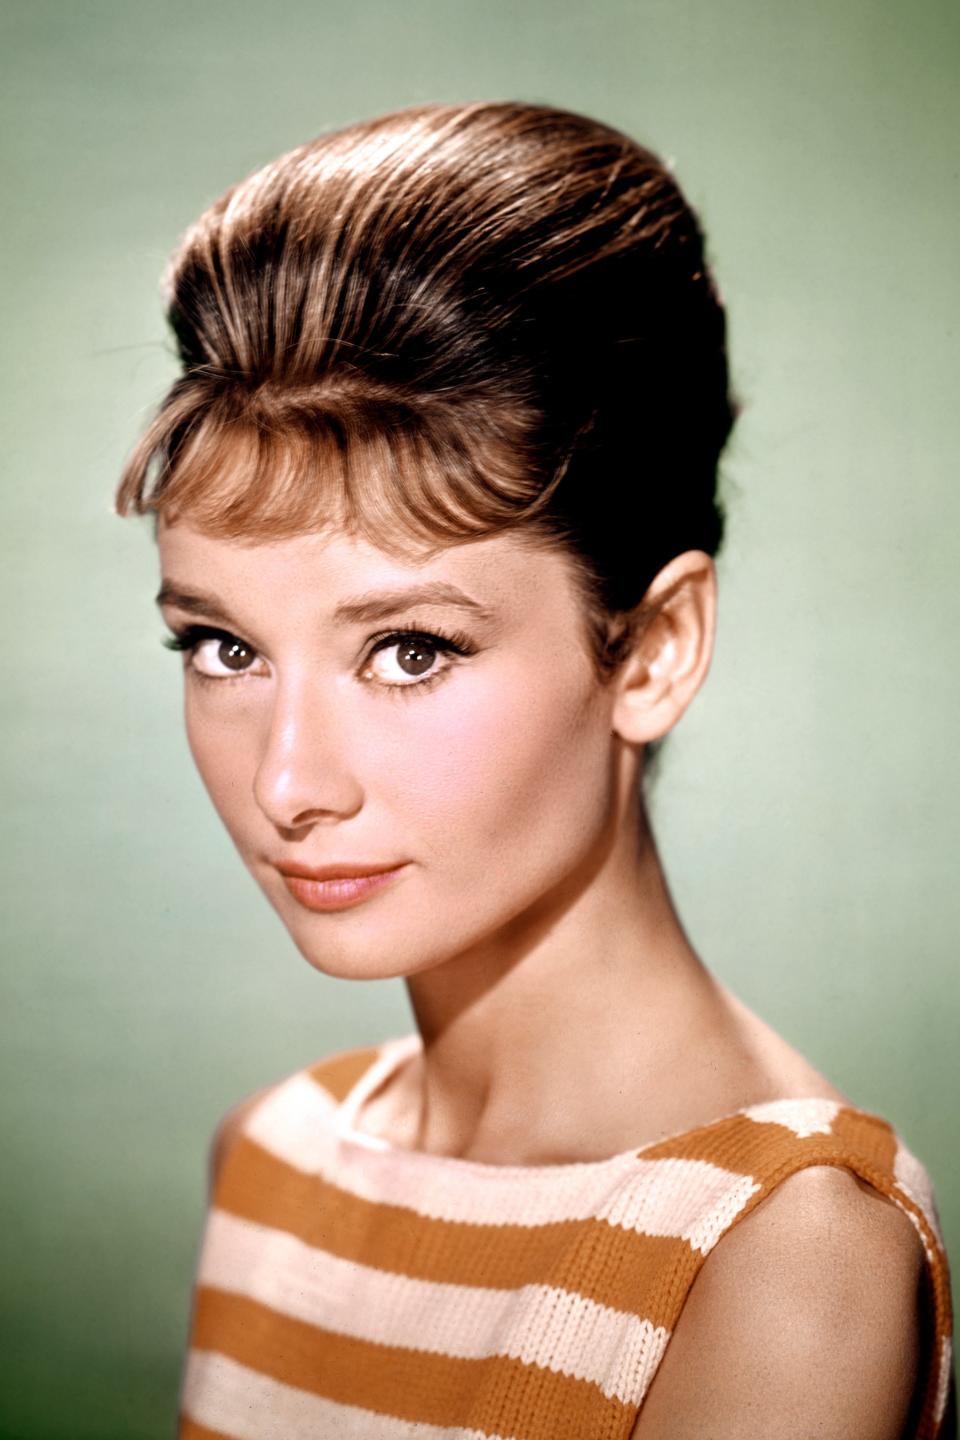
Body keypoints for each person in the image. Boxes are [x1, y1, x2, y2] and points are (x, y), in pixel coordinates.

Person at [116, 101, 954, 1439]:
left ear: (654, 651)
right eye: (222, 646)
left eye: (408, 651)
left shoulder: (781, 1257)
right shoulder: (275, 1153)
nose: (289, 784)